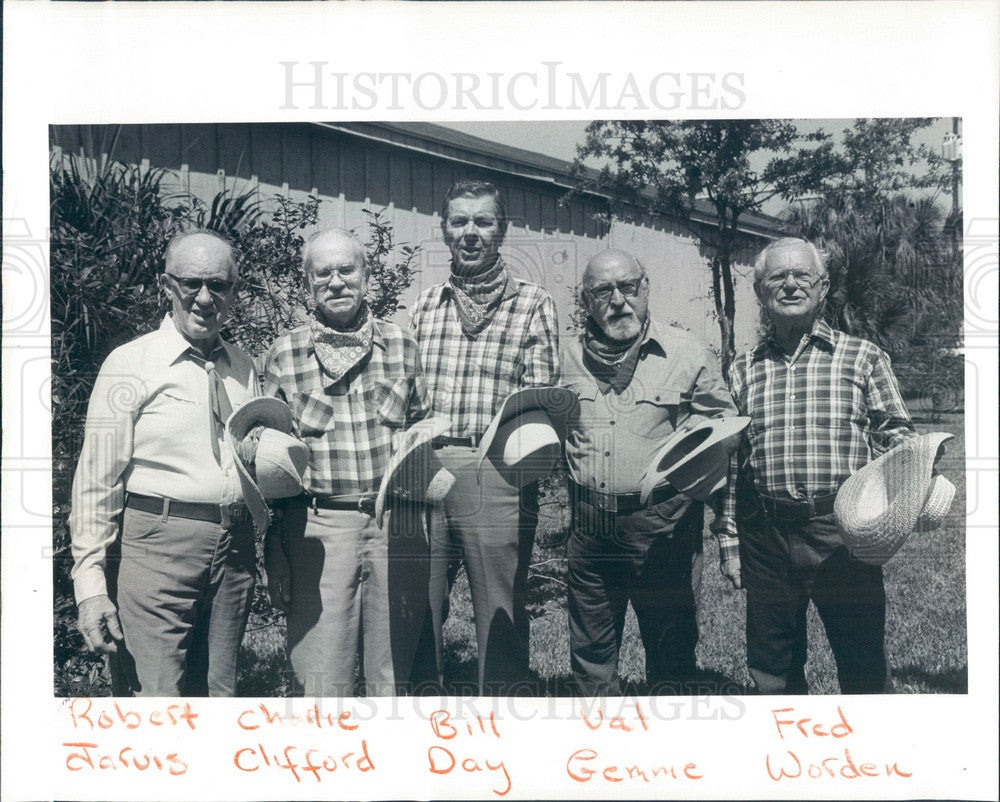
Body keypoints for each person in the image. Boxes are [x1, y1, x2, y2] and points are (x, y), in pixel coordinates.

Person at [716, 237, 915, 694]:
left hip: (842, 531)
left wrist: (912, 476)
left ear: (823, 287)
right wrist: (729, 536)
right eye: (776, 278)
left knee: (861, 658)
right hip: (766, 534)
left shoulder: (862, 358)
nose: (790, 286)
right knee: (772, 666)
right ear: (760, 291)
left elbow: (894, 434)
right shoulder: (743, 369)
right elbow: (732, 464)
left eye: (802, 276)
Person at [69, 230, 258, 696]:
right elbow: (97, 481)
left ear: (235, 289)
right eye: (191, 283)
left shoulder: (243, 366)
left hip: (233, 551)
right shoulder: (130, 363)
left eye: (220, 284)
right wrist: (90, 585)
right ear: (165, 286)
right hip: (157, 545)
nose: (205, 298)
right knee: (157, 699)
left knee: (220, 692)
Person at [562, 249, 739, 696]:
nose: (618, 300)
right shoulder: (563, 358)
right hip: (591, 522)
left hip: (665, 526)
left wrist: (698, 462)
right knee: (591, 651)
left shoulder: (687, 352)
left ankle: (668, 751)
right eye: (603, 291)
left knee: (671, 647)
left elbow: (727, 431)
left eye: (628, 287)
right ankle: (596, 747)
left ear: (646, 289)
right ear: (586, 301)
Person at [262, 228, 432, 696]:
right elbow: (268, 465)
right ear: (307, 285)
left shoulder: (403, 346)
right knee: (323, 680)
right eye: (323, 273)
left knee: (393, 677)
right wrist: (275, 542)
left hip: (394, 525)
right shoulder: (284, 354)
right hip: (317, 529)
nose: (336, 282)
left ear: (366, 276)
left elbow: (422, 434)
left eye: (347, 270)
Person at [409, 179, 560, 694]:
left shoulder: (532, 304)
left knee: (499, 606)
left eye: (483, 222)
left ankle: (501, 708)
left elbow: (537, 401)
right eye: (459, 222)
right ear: (445, 230)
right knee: (418, 603)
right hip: (426, 466)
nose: (470, 233)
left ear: (502, 230)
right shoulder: (424, 306)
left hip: (495, 466)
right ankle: (420, 706)